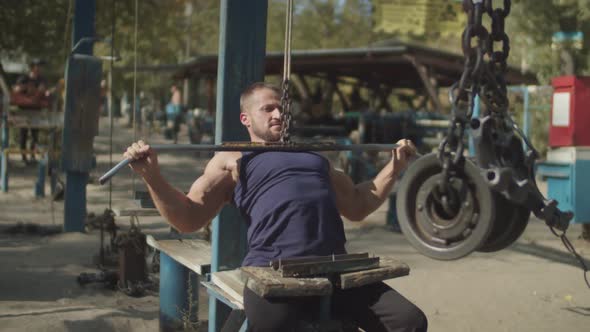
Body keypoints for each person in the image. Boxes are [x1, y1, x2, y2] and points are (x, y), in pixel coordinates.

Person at [125, 82, 427, 332]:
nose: (279, 113)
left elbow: (359, 205)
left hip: (337, 270)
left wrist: (394, 167)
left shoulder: (314, 156)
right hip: (275, 273)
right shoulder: (233, 158)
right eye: (268, 108)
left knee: (409, 322)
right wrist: (152, 176)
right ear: (246, 119)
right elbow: (188, 217)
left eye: (282, 107)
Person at [12, 58, 50, 164]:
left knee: (35, 135)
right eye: (38, 66)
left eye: (40, 66)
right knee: (23, 133)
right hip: (23, 111)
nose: (39, 68)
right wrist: (26, 88)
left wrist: (44, 92)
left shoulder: (42, 80)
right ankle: (24, 157)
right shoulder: (24, 78)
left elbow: (45, 93)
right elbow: (16, 90)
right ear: (33, 67)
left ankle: (32, 155)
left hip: (36, 110)